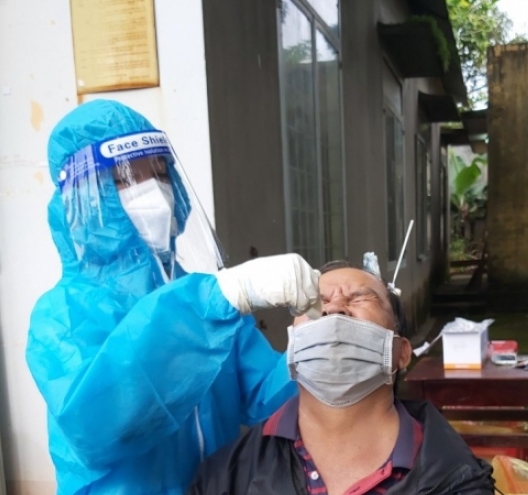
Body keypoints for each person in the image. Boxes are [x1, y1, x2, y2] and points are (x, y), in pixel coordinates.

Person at [26, 99, 321, 495]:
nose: (153, 191)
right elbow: (100, 424)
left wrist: (313, 339)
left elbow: (263, 396)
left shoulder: (208, 303)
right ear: (84, 200)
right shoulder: (61, 315)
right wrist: (217, 298)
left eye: (160, 173)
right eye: (124, 180)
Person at [187, 261, 495, 495]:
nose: (334, 308)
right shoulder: (224, 478)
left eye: (360, 298)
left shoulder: (457, 480)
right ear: (293, 344)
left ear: (402, 353)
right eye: (315, 301)